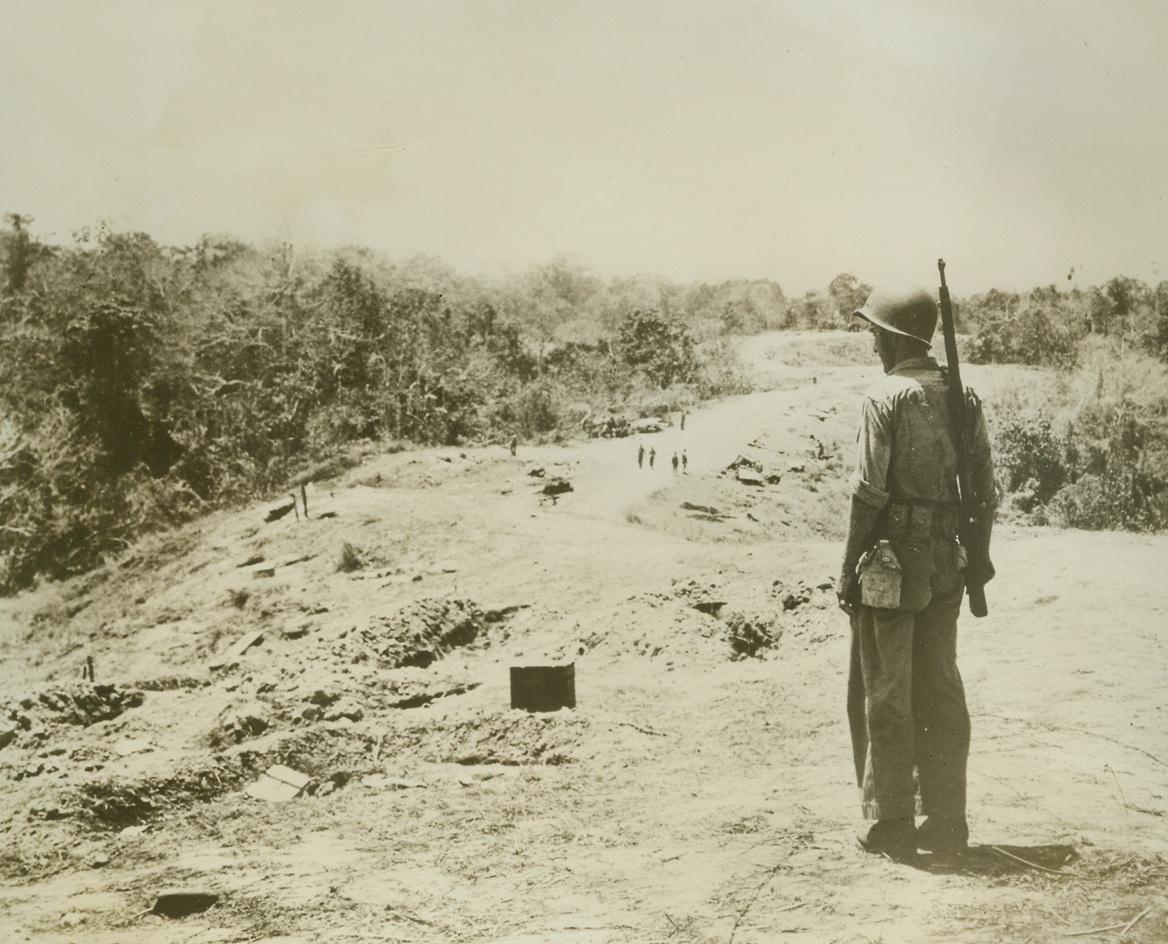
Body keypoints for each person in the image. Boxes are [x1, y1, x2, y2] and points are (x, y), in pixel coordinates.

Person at [838, 285, 996, 862]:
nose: (873, 341)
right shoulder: (963, 396)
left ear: (896, 337)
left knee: (886, 688)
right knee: (941, 685)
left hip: (892, 560)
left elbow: (868, 492)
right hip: (946, 560)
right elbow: (984, 490)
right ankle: (948, 818)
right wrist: (977, 555)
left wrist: (846, 568)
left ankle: (892, 822)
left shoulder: (884, 397)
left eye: (876, 332)